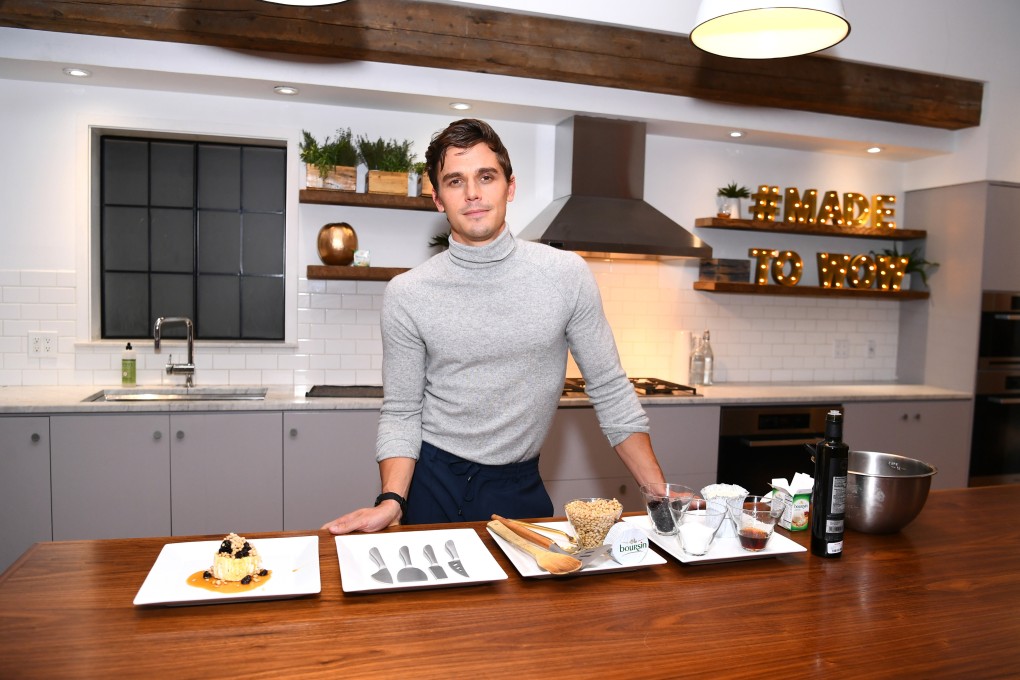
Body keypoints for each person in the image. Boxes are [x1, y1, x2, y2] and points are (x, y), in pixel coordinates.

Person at [323, 118, 666, 534]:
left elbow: (610, 390)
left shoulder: (566, 275)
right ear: (437, 199)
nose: (472, 193)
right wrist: (392, 499)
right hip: (433, 485)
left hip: (520, 485)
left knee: (531, 600)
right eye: (454, 181)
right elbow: (401, 411)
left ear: (510, 187)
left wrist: (660, 496)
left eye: (486, 176)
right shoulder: (407, 292)